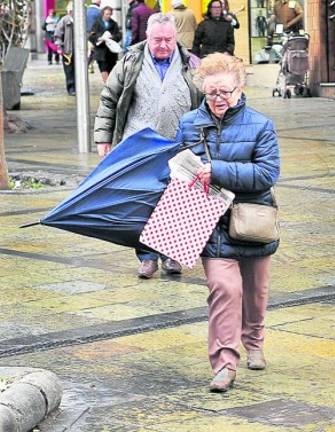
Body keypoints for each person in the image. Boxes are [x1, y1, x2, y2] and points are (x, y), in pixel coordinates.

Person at [175, 52, 279, 392]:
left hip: (252, 218)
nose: (218, 99)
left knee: (255, 292)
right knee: (224, 289)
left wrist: (217, 170)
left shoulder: (261, 125)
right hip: (210, 221)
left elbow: (267, 173)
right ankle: (224, 364)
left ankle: (254, 340)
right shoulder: (189, 122)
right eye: (211, 93)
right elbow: (178, 167)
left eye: (225, 92)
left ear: (240, 88)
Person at [93, 12, 202, 279]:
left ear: (175, 37)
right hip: (139, 146)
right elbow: (109, 99)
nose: (163, 45)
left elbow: (207, 100)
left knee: (180, 201)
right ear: (147, 37)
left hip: (180, 145)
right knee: (143, 204)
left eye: (168, 39)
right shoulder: (130, 61)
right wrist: (103, 138)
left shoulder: (191, 63)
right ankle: (147, 257)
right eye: (157, 40)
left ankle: (173, 254)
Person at [89, 6, 122, 83]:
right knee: (103, 69)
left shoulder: (114, 24)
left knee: (111, 70)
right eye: (107, 14)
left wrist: (112, 37)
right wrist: (99, 38)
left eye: (110, 14)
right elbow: (91, 36)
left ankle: (110, 86)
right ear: (103, 14)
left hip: (111, 52)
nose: (108, 16)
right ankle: (107, 87)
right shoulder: (97, 23)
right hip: (100, 51)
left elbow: (119, 35)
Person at [54, 3, 76, 96]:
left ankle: (78, 86)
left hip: (78, 50)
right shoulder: (64, 20)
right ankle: (71, 88)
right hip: (67, 50)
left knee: (77, 70)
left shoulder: (80, 20)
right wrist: (59, 47)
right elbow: (58, 34)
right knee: (69, 70)